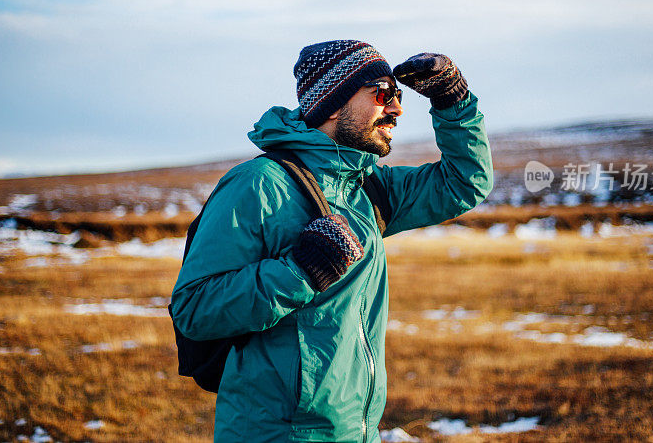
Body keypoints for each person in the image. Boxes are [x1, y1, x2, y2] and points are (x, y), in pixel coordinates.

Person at [171, 39, 493, 442]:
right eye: (383, 93)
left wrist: (452, 100)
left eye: (397, 95)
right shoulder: (258, 185)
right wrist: (301, 272)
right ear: (333, 101)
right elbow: (194, 309)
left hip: (357, 432)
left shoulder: (365, 188)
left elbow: (463, 183)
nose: (396, 108)